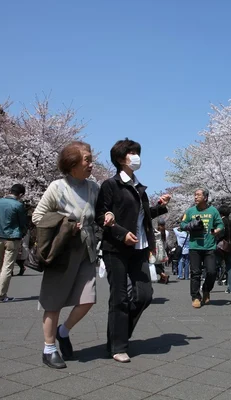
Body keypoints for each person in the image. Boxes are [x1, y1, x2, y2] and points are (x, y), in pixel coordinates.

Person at [95, 138, 170, 363]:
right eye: (131, 153)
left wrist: (161, 205)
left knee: (144, 295)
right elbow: (101, 215)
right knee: (119, 297)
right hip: (115, 249)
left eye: (137, 152)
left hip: (139, 247)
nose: (136, 156)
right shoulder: (111, 185)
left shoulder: (139, 187)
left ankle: (117, 336)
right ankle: (118, 346)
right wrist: (120, 232)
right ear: (120, 159)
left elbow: (144, 216)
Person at [33, 141, 100, 369]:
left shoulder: (93, 188)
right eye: (87, 159)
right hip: (61, 252)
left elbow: (100, 215)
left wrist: (107, 215)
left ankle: (64, 331)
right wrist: (67, 225)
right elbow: (37, 217)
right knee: (54, 302)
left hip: (86, 251)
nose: (91, 163)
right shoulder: (57, 187)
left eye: (91, 159)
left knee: (88, 299)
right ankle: (49, 348)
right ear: (72, 165)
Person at [180, 188, 224, 309]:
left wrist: (216, 231)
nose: (195, 197)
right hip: (194, 246)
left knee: (212, 271)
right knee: (195, 273)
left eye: (198, 195)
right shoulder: (190, 211)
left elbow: (220, 224)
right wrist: (189, 225)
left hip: (209, 246)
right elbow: (182, 225)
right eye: (195, 195)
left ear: (205, 197)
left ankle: (206, 290)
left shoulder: (213, 211)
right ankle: (195, 297)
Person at [0, 184, 27, 303]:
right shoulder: (18, 205)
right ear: (20, 194)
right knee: (7, 266)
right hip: (12, 237)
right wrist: (23, 232)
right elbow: (22, 222)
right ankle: (0, 295)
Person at [216, 205, 231, 294]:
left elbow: (220, 234)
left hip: (221, 246)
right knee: (230, 267)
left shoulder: (220, 222)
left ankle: (206, 285)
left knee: (213, 265)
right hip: (230, 246)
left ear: (220, 213)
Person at [153, 220, 170, 284]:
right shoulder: (166, 232)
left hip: (156, 249)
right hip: (162, 249)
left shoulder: (155, 231)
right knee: (160, 264)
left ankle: (163, 275)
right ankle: (162, 278)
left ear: (158, 224)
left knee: (153, 263)